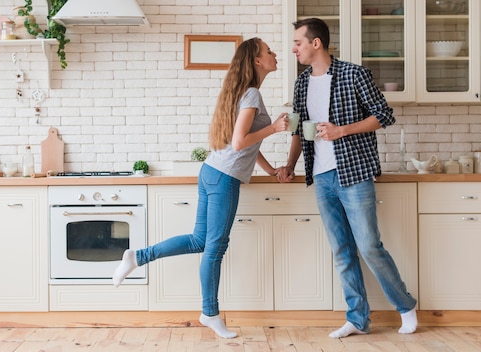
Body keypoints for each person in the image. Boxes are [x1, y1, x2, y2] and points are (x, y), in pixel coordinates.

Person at [113, 37, 289, 339]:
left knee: (199, 241)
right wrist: (274, 128)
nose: (275, 54)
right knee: (214, 248)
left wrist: (271, 169)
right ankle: (210, 313)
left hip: (211, 171)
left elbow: (247, 141)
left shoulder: (245, 93)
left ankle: (137, 257)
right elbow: (239, 142)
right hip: (223, 177)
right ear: (257, 61)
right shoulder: (251, 94)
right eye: (269, 51)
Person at [277, 18, 418, 338]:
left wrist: (342, 131)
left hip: (354, 171)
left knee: (369, 246)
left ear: (316, 43)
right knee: (341, 250)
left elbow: (384, 115)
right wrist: (289, 165)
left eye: (298, 42)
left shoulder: (354, 74)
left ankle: (405, 306)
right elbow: (299, 129)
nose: (294, 48)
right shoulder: (301, 83)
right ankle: (357, 318)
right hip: (321, 176)